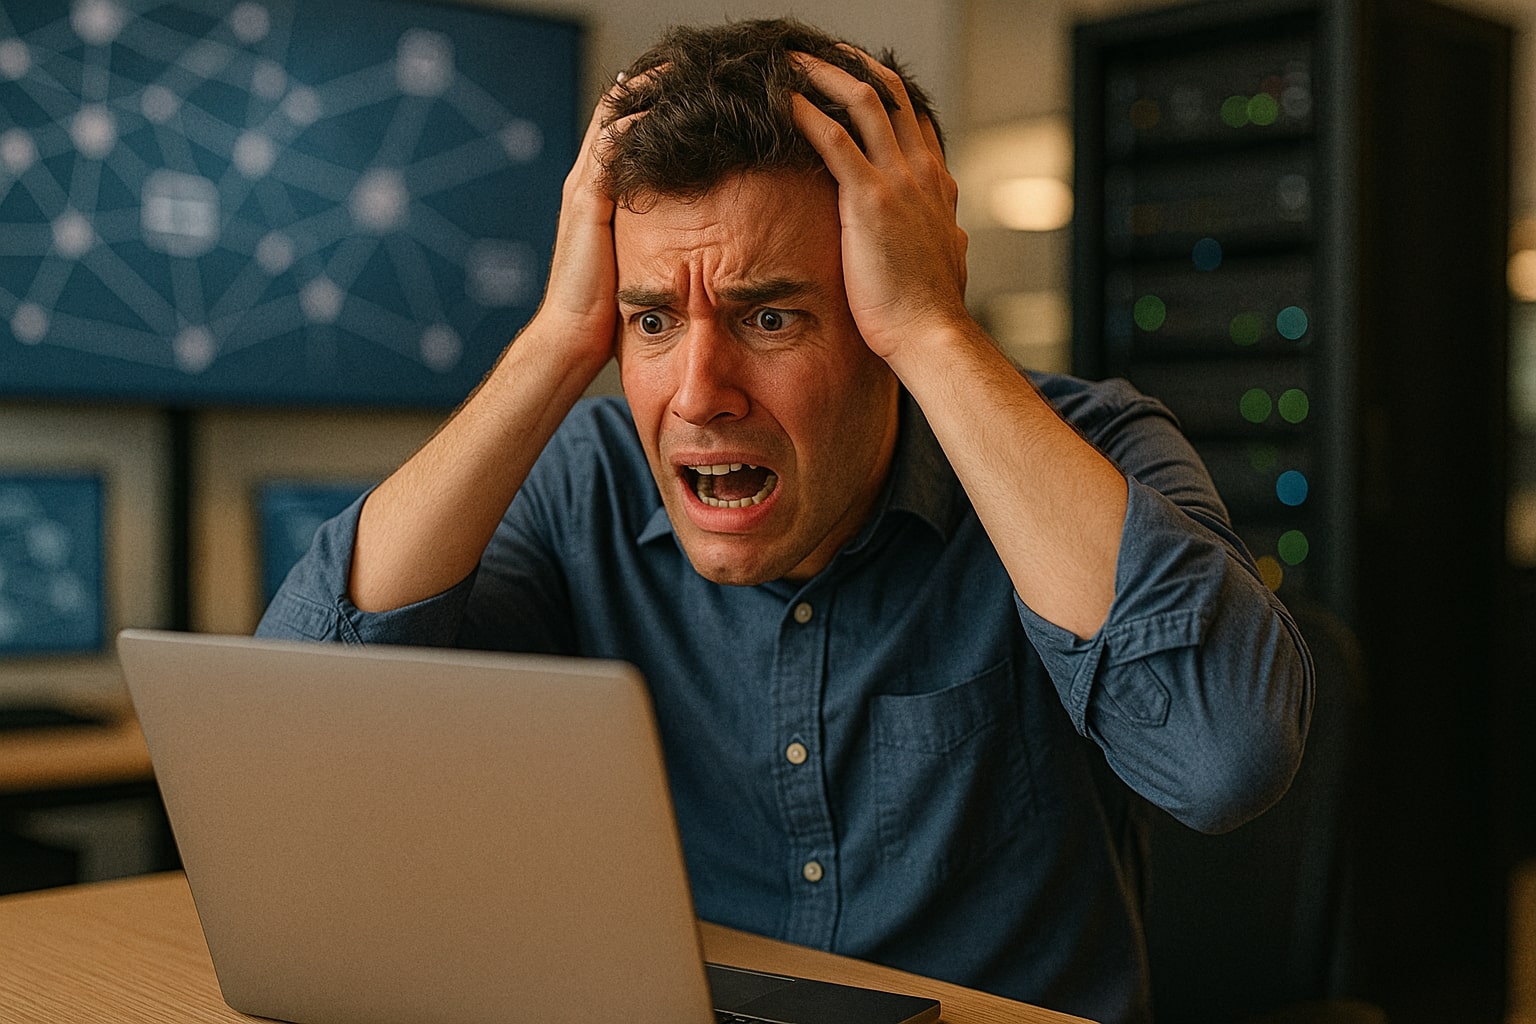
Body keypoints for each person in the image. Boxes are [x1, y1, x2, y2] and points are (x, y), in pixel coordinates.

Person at [258, 18, 1313, 1024]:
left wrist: (937, 330)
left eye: (771, 315)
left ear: (885, 304)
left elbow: (1222, 758)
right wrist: (557, 338)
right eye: (653, 319)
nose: (700, 391)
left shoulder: (1091, 446)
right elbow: (292, 744)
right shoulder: (589, 479)